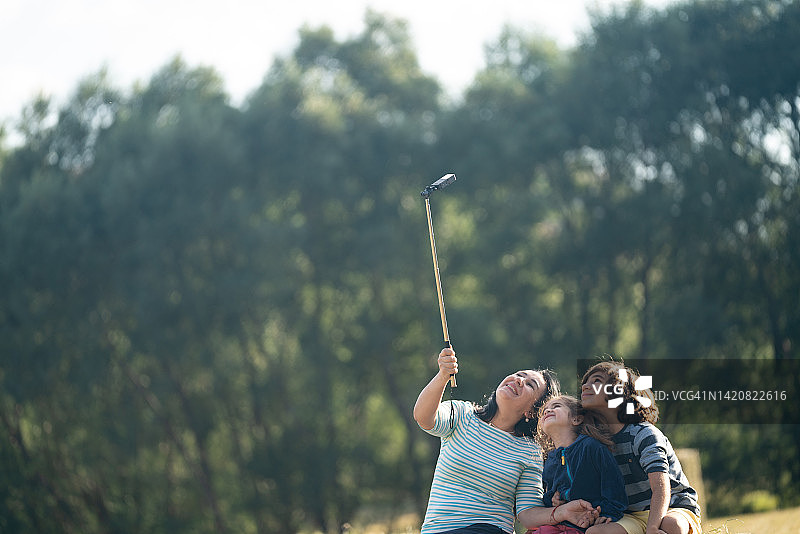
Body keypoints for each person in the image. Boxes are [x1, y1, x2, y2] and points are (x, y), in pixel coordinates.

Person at [413, 347, 600, 534]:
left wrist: (563, 512)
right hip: (438, 530)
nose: (519, 380)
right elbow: (424, 417)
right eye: (519, 374)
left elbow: (528, 514)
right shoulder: (462, 414)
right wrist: (443, 375)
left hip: (490, 529)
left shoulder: (529, 449)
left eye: (529, 385)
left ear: (532, 412)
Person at [577, 360, 702, 534]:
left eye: (596, 381)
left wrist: (652, 528)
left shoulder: (643, 434)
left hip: (672, 506)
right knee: (595, 533)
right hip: (632, 516)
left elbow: (661, 488)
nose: (585, 387)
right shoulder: (592, 442)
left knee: (671, 526)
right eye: (585, 383)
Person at [527, 395, 627, 534]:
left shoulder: (591, 447)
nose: (547, 411)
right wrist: (554, 500)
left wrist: (606, 514)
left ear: (576, 419)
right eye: (545, 410)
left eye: (556, 406)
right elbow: (548, 495)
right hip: (559, 524)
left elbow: (614, 487)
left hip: (587, 524)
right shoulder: (549, 460)